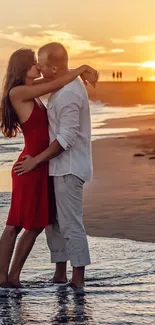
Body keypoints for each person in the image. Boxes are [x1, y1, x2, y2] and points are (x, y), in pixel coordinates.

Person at [0, 47, 98, 288]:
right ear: (24, 68)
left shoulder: (32, 90)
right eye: (34, 64)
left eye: (39, 63)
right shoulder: (20, 92)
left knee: (33, 224)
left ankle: (12, 277)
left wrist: (77, 70)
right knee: (17, 224)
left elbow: (58, 77)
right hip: (31, 165)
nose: (38, 67)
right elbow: (59, 80)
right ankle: (5, 278)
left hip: (41, 164)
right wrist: (83, 68)